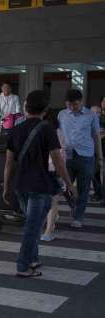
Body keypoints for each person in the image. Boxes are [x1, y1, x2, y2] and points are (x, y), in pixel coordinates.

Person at [4, 90, 75, 278]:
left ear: (26, 107)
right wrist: (69, 183)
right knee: (33, 227)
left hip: (20, 185)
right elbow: (58, 161)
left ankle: (33, 259)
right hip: (39, 185)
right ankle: (22, 266)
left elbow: (9, 163)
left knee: (32, 224)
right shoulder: (47, 129)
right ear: (45, 109)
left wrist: (5, 187)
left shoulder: (15, 129)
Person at [58, 89, 103, 228]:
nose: (72, 107)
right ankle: (74, 206)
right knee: (64, 187)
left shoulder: (91, 115)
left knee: (83, 189)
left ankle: (79, 217)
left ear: (81, 102)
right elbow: (59, 133)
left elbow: (96, 137)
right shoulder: (62, 114)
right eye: (69, 104)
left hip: (86, 156)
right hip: (67, 156)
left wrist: (100, 157)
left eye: (75, 105)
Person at [41, 117, 68, 242]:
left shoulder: (50, 134)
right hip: (50, 171)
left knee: (50, 201)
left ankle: (49, 230)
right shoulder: (58, 134)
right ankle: (49, 228)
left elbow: (60, 157)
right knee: (51, 202)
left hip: (49, 171)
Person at [89, 104, 103, 202]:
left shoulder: (102, 122)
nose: (96, 114)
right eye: (94, 112)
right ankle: (98, 193)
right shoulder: (88, 123)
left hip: (102, 152)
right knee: (95, 174)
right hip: (92, 152)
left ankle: (100, 194)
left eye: (98, 112)